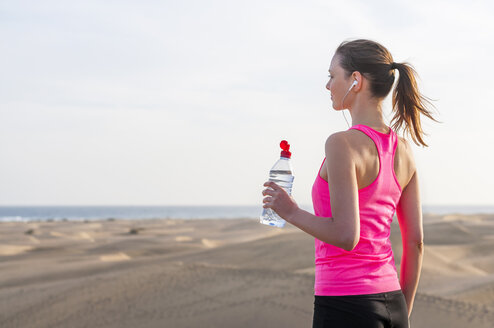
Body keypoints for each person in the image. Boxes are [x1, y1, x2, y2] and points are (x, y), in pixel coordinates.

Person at [262, 39, 440, 328]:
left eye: (333, 76)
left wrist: (291, 212)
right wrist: (401, 312)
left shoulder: (341, 144)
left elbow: (347, 235)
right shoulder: (405, 151)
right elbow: (416, 242)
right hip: (393, 302)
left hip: (345, 304)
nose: (328, 85)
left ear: (355, 80)